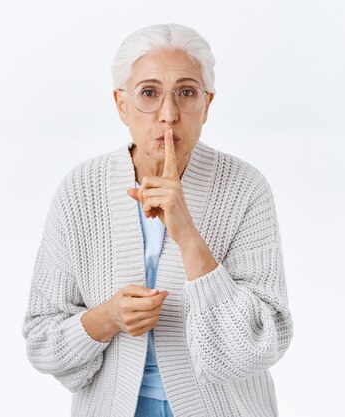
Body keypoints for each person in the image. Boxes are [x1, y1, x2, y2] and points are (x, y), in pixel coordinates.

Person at [21, 23, 294, 417]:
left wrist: (186, 234)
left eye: (186, 93)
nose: (169, 115)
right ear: (121, 104)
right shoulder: (79, 191)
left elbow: (261, 339)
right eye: (149, 93)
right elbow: (42, 341)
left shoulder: (245, 188)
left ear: (207, 104)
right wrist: (107, 318)